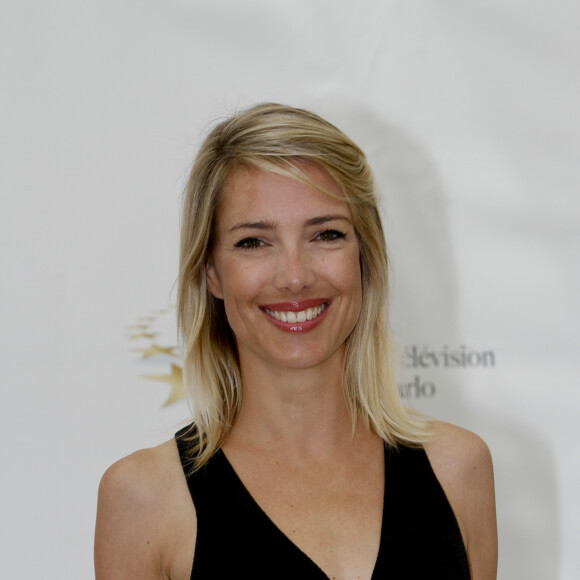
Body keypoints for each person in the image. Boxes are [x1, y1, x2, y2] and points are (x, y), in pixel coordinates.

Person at [95, 103, 497, 579]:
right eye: (253, 242)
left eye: (326, 235)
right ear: (211, 273)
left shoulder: (459, 470)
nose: (294, 277)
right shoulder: (145, 499)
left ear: (365, 259)